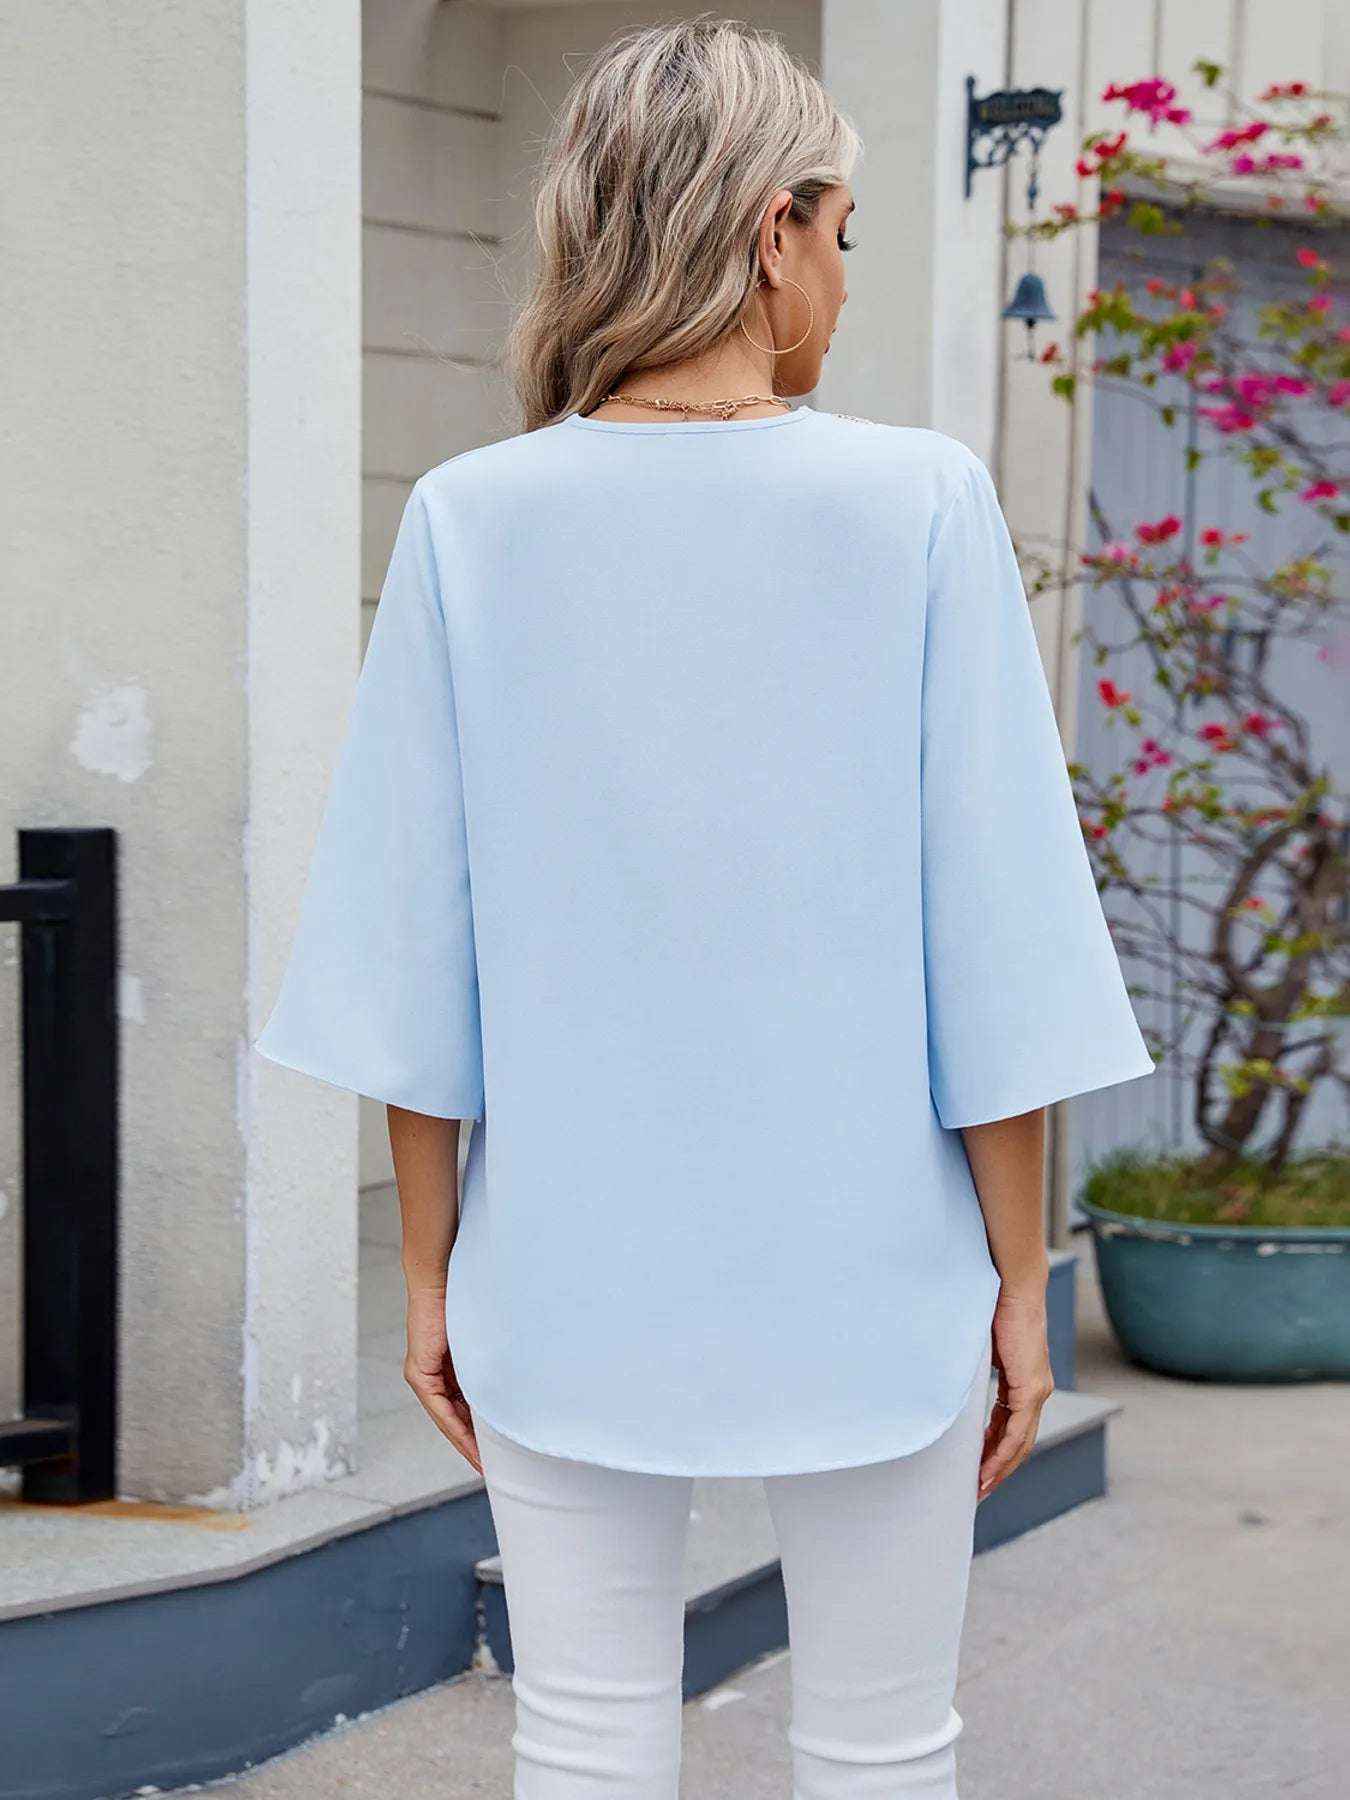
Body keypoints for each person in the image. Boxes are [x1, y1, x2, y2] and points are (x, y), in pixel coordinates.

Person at [254, 18, 1154, 1798]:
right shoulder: (916, 502)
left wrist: (430, 1274)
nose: (843, 277)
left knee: (582, 1741)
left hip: (563, 1262)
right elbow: (994, 941)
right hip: (876, 1266)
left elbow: (410, 947)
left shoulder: (470, 520)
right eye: (842, 231)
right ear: (770, 229)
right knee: (884, 1746)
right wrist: (1018, 1280)